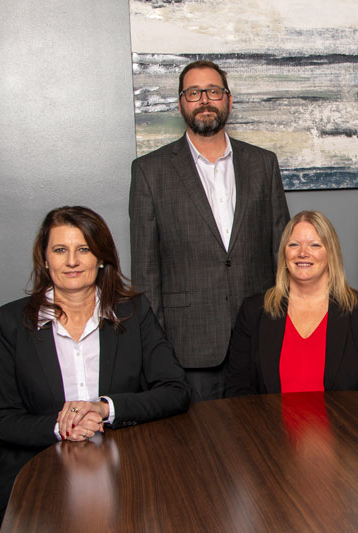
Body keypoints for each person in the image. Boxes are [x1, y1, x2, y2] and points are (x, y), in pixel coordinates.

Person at [0, 206, 190, 524]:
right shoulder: (11, 322)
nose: (71, 261)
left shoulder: (133, 312)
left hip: (126, 470)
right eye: (59, 250)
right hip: (38, 475)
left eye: (83, 249)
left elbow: (175, 391)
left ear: (102, 258)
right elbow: (1, 419)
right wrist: (61, 426)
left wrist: (104, 408)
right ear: (44, 258)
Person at [130, 60, 290, 402]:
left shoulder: (263, 164)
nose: (204, 99)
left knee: (265, 445)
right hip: (189, 347)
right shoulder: (150, 172)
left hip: (261, 336)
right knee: (200, 451)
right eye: (193, 92)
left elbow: (282, 251)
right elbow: (145, 271)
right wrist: (156, 350)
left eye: (213, 91)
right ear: (180, 103)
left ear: (228, 100)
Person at [225, 211, 358, 395]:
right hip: (268, 423)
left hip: (345, 423)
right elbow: (237, 389)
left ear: (331, 254)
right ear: (284, 252)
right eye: (294, 245)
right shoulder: (253, 311)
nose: (303, 253)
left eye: (314, 245)